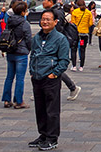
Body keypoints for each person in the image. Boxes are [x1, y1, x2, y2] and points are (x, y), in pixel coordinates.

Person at [28, 9, 70, 151]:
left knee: (52, 110)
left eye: (48, 19)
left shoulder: (60, 39)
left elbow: (64, 60)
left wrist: (54, 74)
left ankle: (52, 138)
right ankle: (43, 135)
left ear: (55, 22)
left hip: (51, 79)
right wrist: (32, 72)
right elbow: (33, 55)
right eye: (43, 19)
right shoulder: (37, 38)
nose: (45, 22)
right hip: (37, 77)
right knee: (40, 109)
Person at [40, 0, 81, 101]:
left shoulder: (56, 12)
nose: (43, 2)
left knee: (53, 66)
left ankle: (72, 87)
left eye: (44, 0)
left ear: (51, 2)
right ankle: (71, 87)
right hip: (50, 42)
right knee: (50, 66)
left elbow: (58, 29)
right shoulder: (52, 11)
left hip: (55, 43)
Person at [1, 1, 33, 109]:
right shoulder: (25, 24)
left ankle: (6, 99)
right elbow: (28, 39)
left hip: (10, 51)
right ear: (23, 12)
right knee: (20, 78)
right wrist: (29, 49)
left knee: (9, 76)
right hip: (21, 52)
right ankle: (18, 101)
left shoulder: (10, 21)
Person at [70, 0, 93, 72]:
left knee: (74, 49)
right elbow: (91, 23)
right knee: (82, 50)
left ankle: (74, 66)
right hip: (84, 34)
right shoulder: (88, 13)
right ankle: (81, 66)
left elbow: (73, 23)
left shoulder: (75, 12)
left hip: (76, 33)